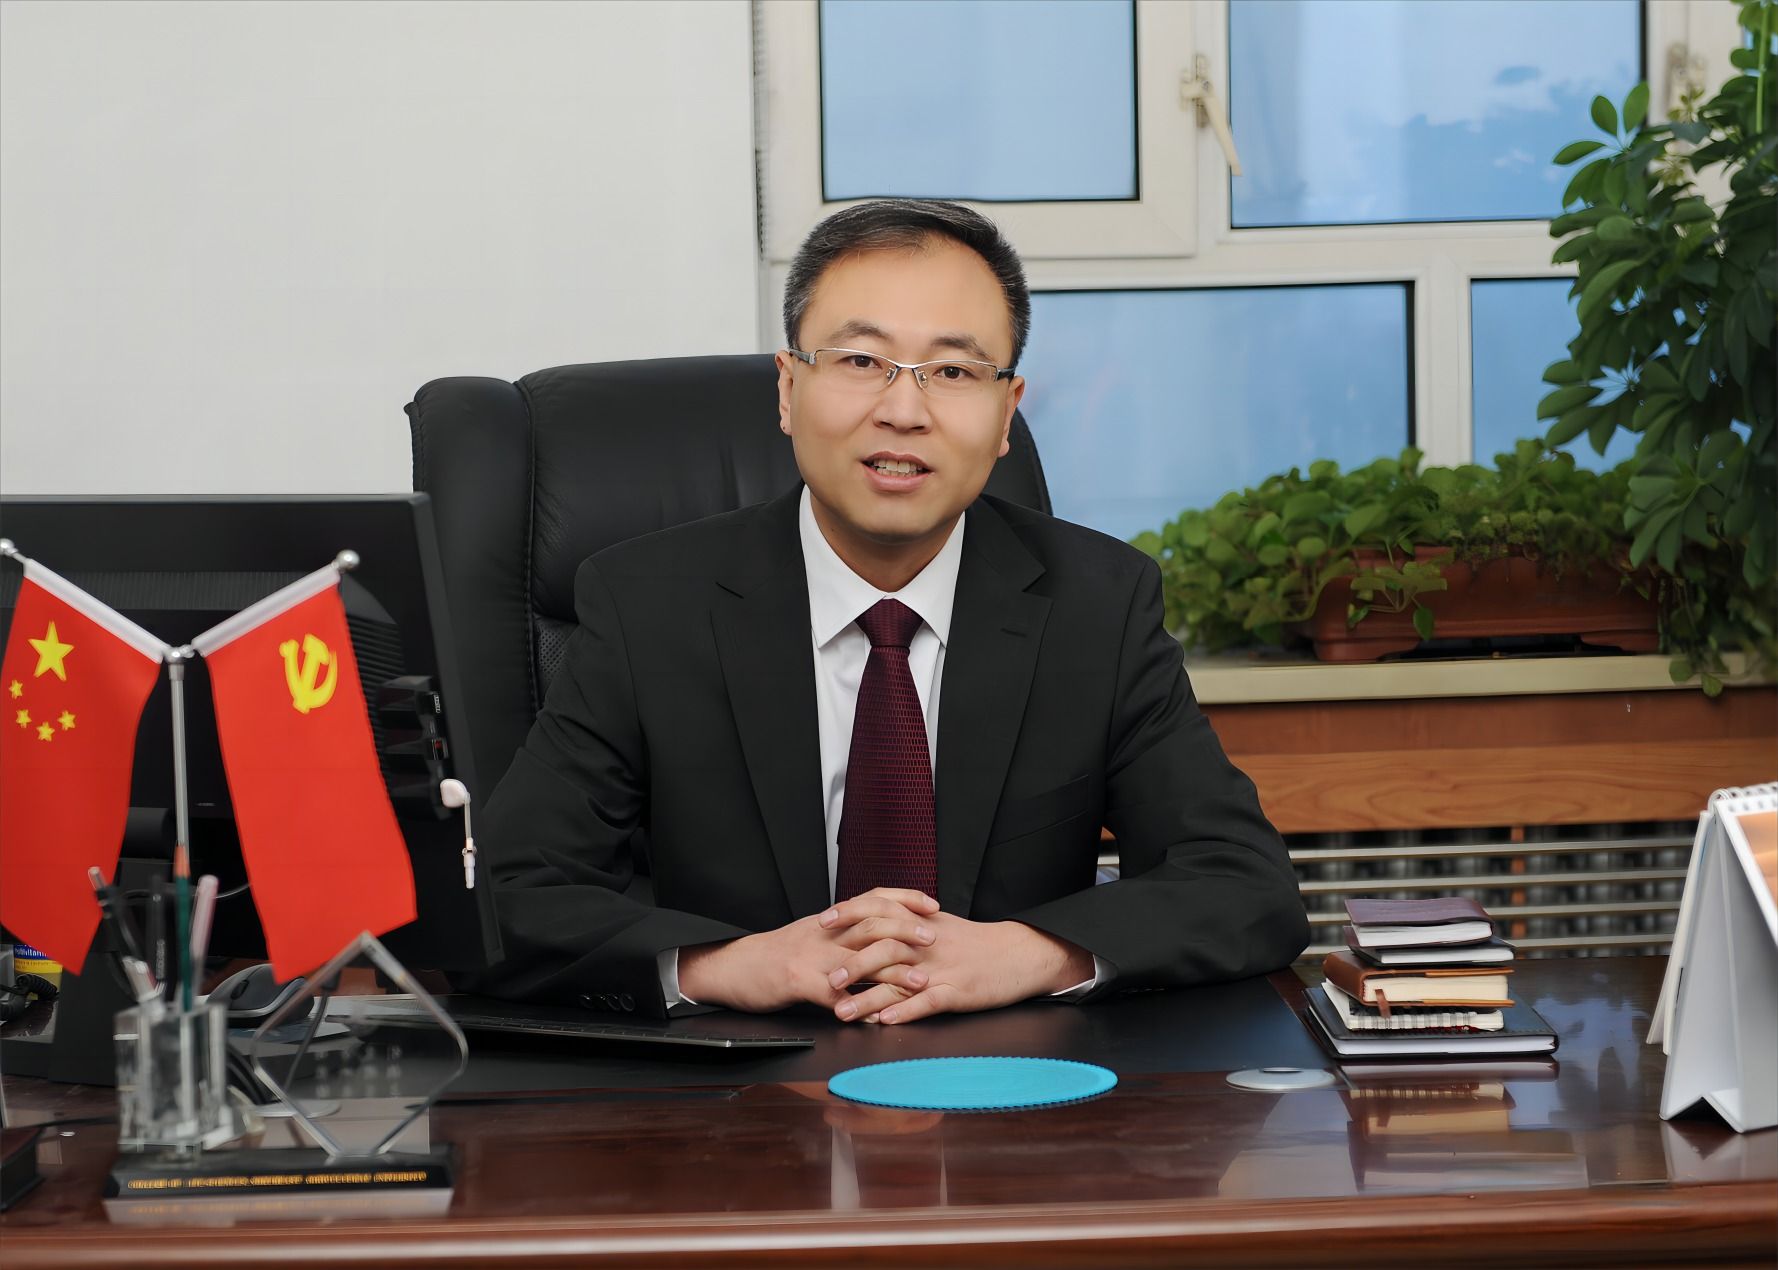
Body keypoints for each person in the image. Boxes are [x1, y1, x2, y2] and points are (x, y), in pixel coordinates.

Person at [473, 198, 1308, 1023]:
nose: (903, 412)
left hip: (1015, 1080)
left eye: (953, 372)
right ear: (788, 389)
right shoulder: (648, 604)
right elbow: (503, 898)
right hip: (737, 1083)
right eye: (861, 361)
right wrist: (732, 965)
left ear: (1007, 413)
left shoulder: (1097, 605)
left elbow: (1245, 885)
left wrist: (1027, 953)